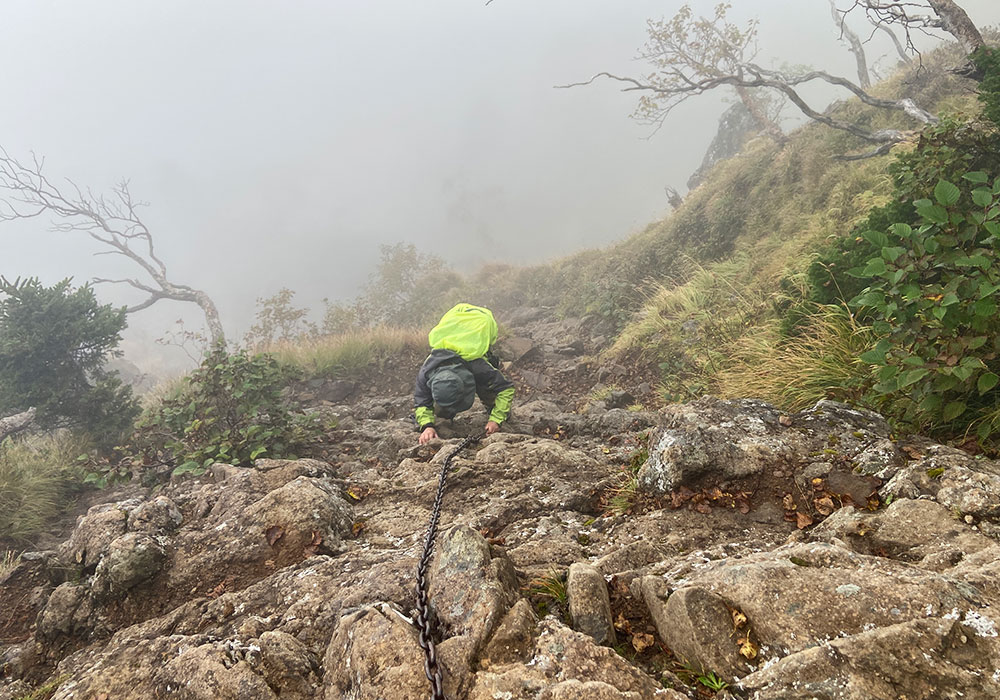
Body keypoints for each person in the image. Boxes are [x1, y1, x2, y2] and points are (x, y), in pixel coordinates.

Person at [414, 303, 514, 445]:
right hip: (454, 317)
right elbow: (421, 400)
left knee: (488, 388)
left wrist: (496, 419)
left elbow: (506, 389)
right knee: (444, 398)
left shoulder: (478, 366)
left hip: (482, 320)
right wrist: (427, 426)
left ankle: (494, 409)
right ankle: (445, 412)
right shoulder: (427, 371)